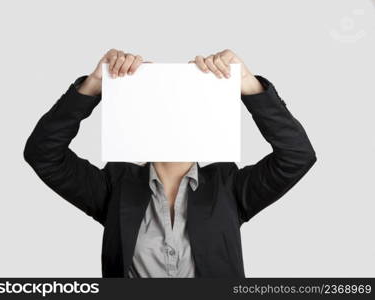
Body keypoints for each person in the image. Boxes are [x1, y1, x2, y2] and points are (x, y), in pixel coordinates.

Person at [23, 49, 316, 278]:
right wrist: (93, 86)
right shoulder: (115, 185)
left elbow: (296, 155)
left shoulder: (227, 186)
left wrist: (248, 86)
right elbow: (43, 154)